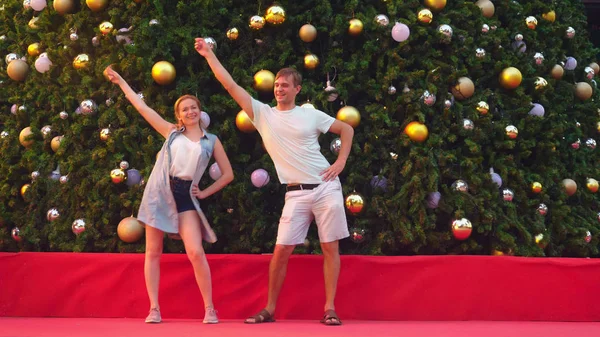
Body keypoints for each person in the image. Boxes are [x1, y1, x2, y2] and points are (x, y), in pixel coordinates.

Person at [194, 38, 354, 326]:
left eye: (285, 85)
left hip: (325, 187)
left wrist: (340, 162)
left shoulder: (310, 114)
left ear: (297, 89)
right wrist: (209, 55)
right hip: (294, 193)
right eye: (277, 85)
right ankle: (269, 309)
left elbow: (346, 129)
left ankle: (329, 308)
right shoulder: (262, 114)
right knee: (281, 251)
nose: (279, 89)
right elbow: (230, 85)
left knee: (330, 248)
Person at [104, 65, 234, 324]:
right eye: (185, 109)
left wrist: (205, 192)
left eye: (193, 107)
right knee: (153, 251)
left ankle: (210, 308)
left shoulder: (212, 141)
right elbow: (143, 109)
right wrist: (121, 83)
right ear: (179, 115)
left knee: (195, 252)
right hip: (161, 194)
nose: (190, 111)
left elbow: (228, 174)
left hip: (187, 197)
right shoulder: (171, 133)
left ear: (200, 111)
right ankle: (154, 308)